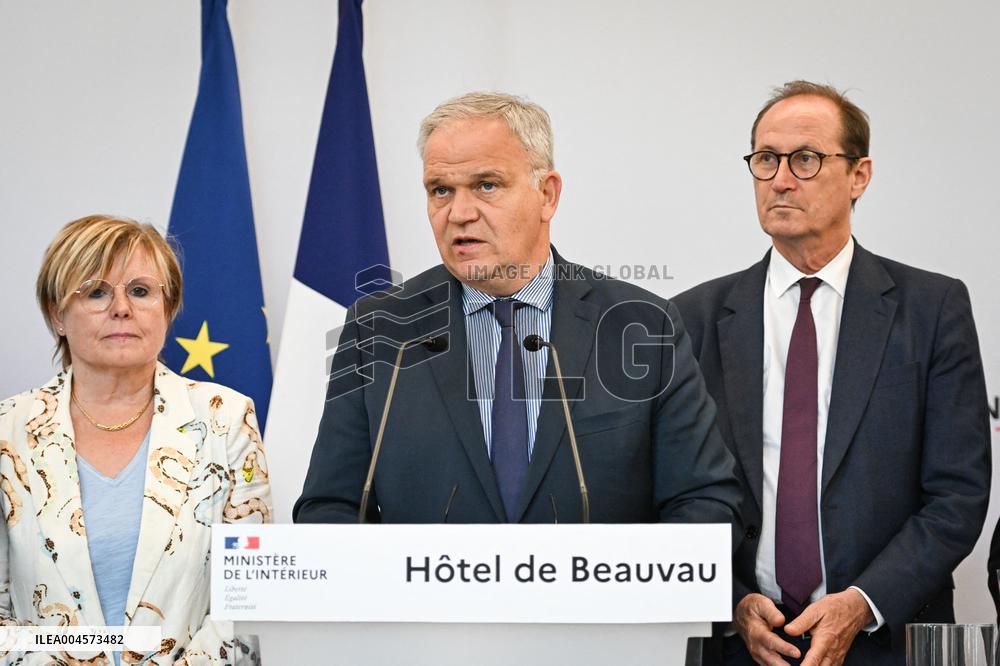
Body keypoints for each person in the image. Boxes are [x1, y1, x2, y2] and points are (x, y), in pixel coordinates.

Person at [294, 92, 741, 528]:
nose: (459, 212)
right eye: (440, 190)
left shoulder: (640, 324)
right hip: (432, 602)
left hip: (595, 600)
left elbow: (704, 501)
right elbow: (329, 506)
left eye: (486, 185)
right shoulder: (381, 327)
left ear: (547, 194)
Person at [672, 81, 990, 665]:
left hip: (884, 641)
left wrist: (864, 603)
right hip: (741, 645)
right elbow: (675, 496)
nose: (781, 179)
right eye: (765, 159)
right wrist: (732, 600)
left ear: (859, 176)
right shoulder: (693, 317)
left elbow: (957, 494)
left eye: (806, 159)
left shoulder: (932, 308)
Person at [0, 215, 272, 665]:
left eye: (141, 291)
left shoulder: (226, 419)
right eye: (96, 292)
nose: (122, 308)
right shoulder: (9, 429)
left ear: (168, 308)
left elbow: (248, 602)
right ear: (56, 314)